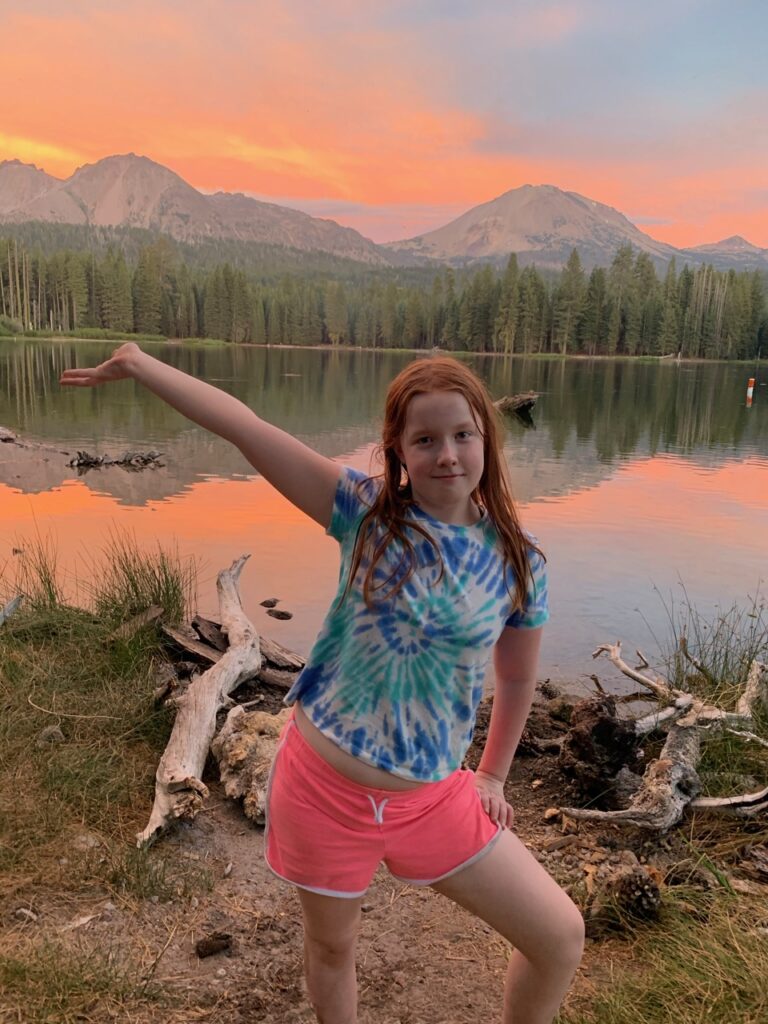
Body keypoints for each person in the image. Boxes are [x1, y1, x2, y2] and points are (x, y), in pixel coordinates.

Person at [61, 344, 584, 1024]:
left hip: (431, 799)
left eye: (463, 434)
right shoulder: (365, 513)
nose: (447, 454)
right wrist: (137, 363)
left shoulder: (518, 559)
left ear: (488, 435)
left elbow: (515, 677)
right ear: (397, 449)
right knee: (333, 950)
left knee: (559, 937)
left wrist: (492, 777)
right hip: (322, 791)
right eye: (425, 439)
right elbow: (245, 427)